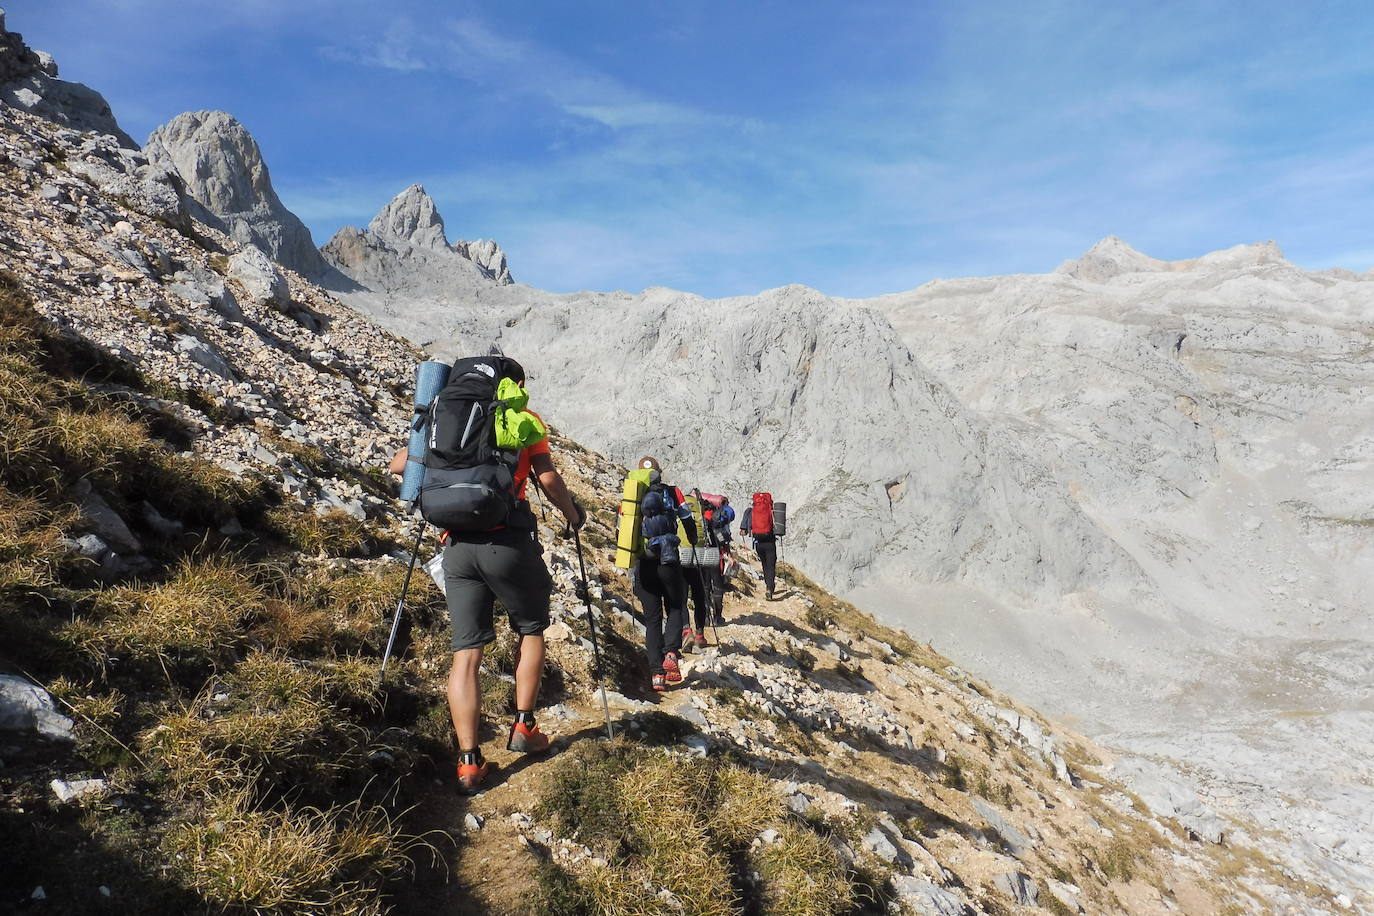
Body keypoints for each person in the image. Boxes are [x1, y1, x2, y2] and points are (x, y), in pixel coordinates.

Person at [389, 357, 585, 794]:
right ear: (513, 385)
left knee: (467, 653)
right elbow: (548, 478)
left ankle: (468, 762)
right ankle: (524, 727)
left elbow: (400, 465)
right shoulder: (522, 418)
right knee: (531, 630)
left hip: (456, 548)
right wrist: (574, 515)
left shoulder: (443, 415)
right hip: (507, 543)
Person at [630, 457, 696, 691]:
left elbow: (622, 529)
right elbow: (688, 519)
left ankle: (657, 675)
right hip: (669, 561)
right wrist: (694, 540)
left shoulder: (632, 494)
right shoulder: (673, 492)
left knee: (652, 620)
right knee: (676, 606)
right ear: (660, 472)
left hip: (644, 565)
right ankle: (670, 652)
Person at [739, 497, 780, 600]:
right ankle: (769, 588)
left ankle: (768, 585)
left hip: (758, 543)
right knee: (771, 565)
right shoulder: (772, 511)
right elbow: (779, 527)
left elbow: (745, 530)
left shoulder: (750, 511)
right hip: (770, 542)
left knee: (765, 564)